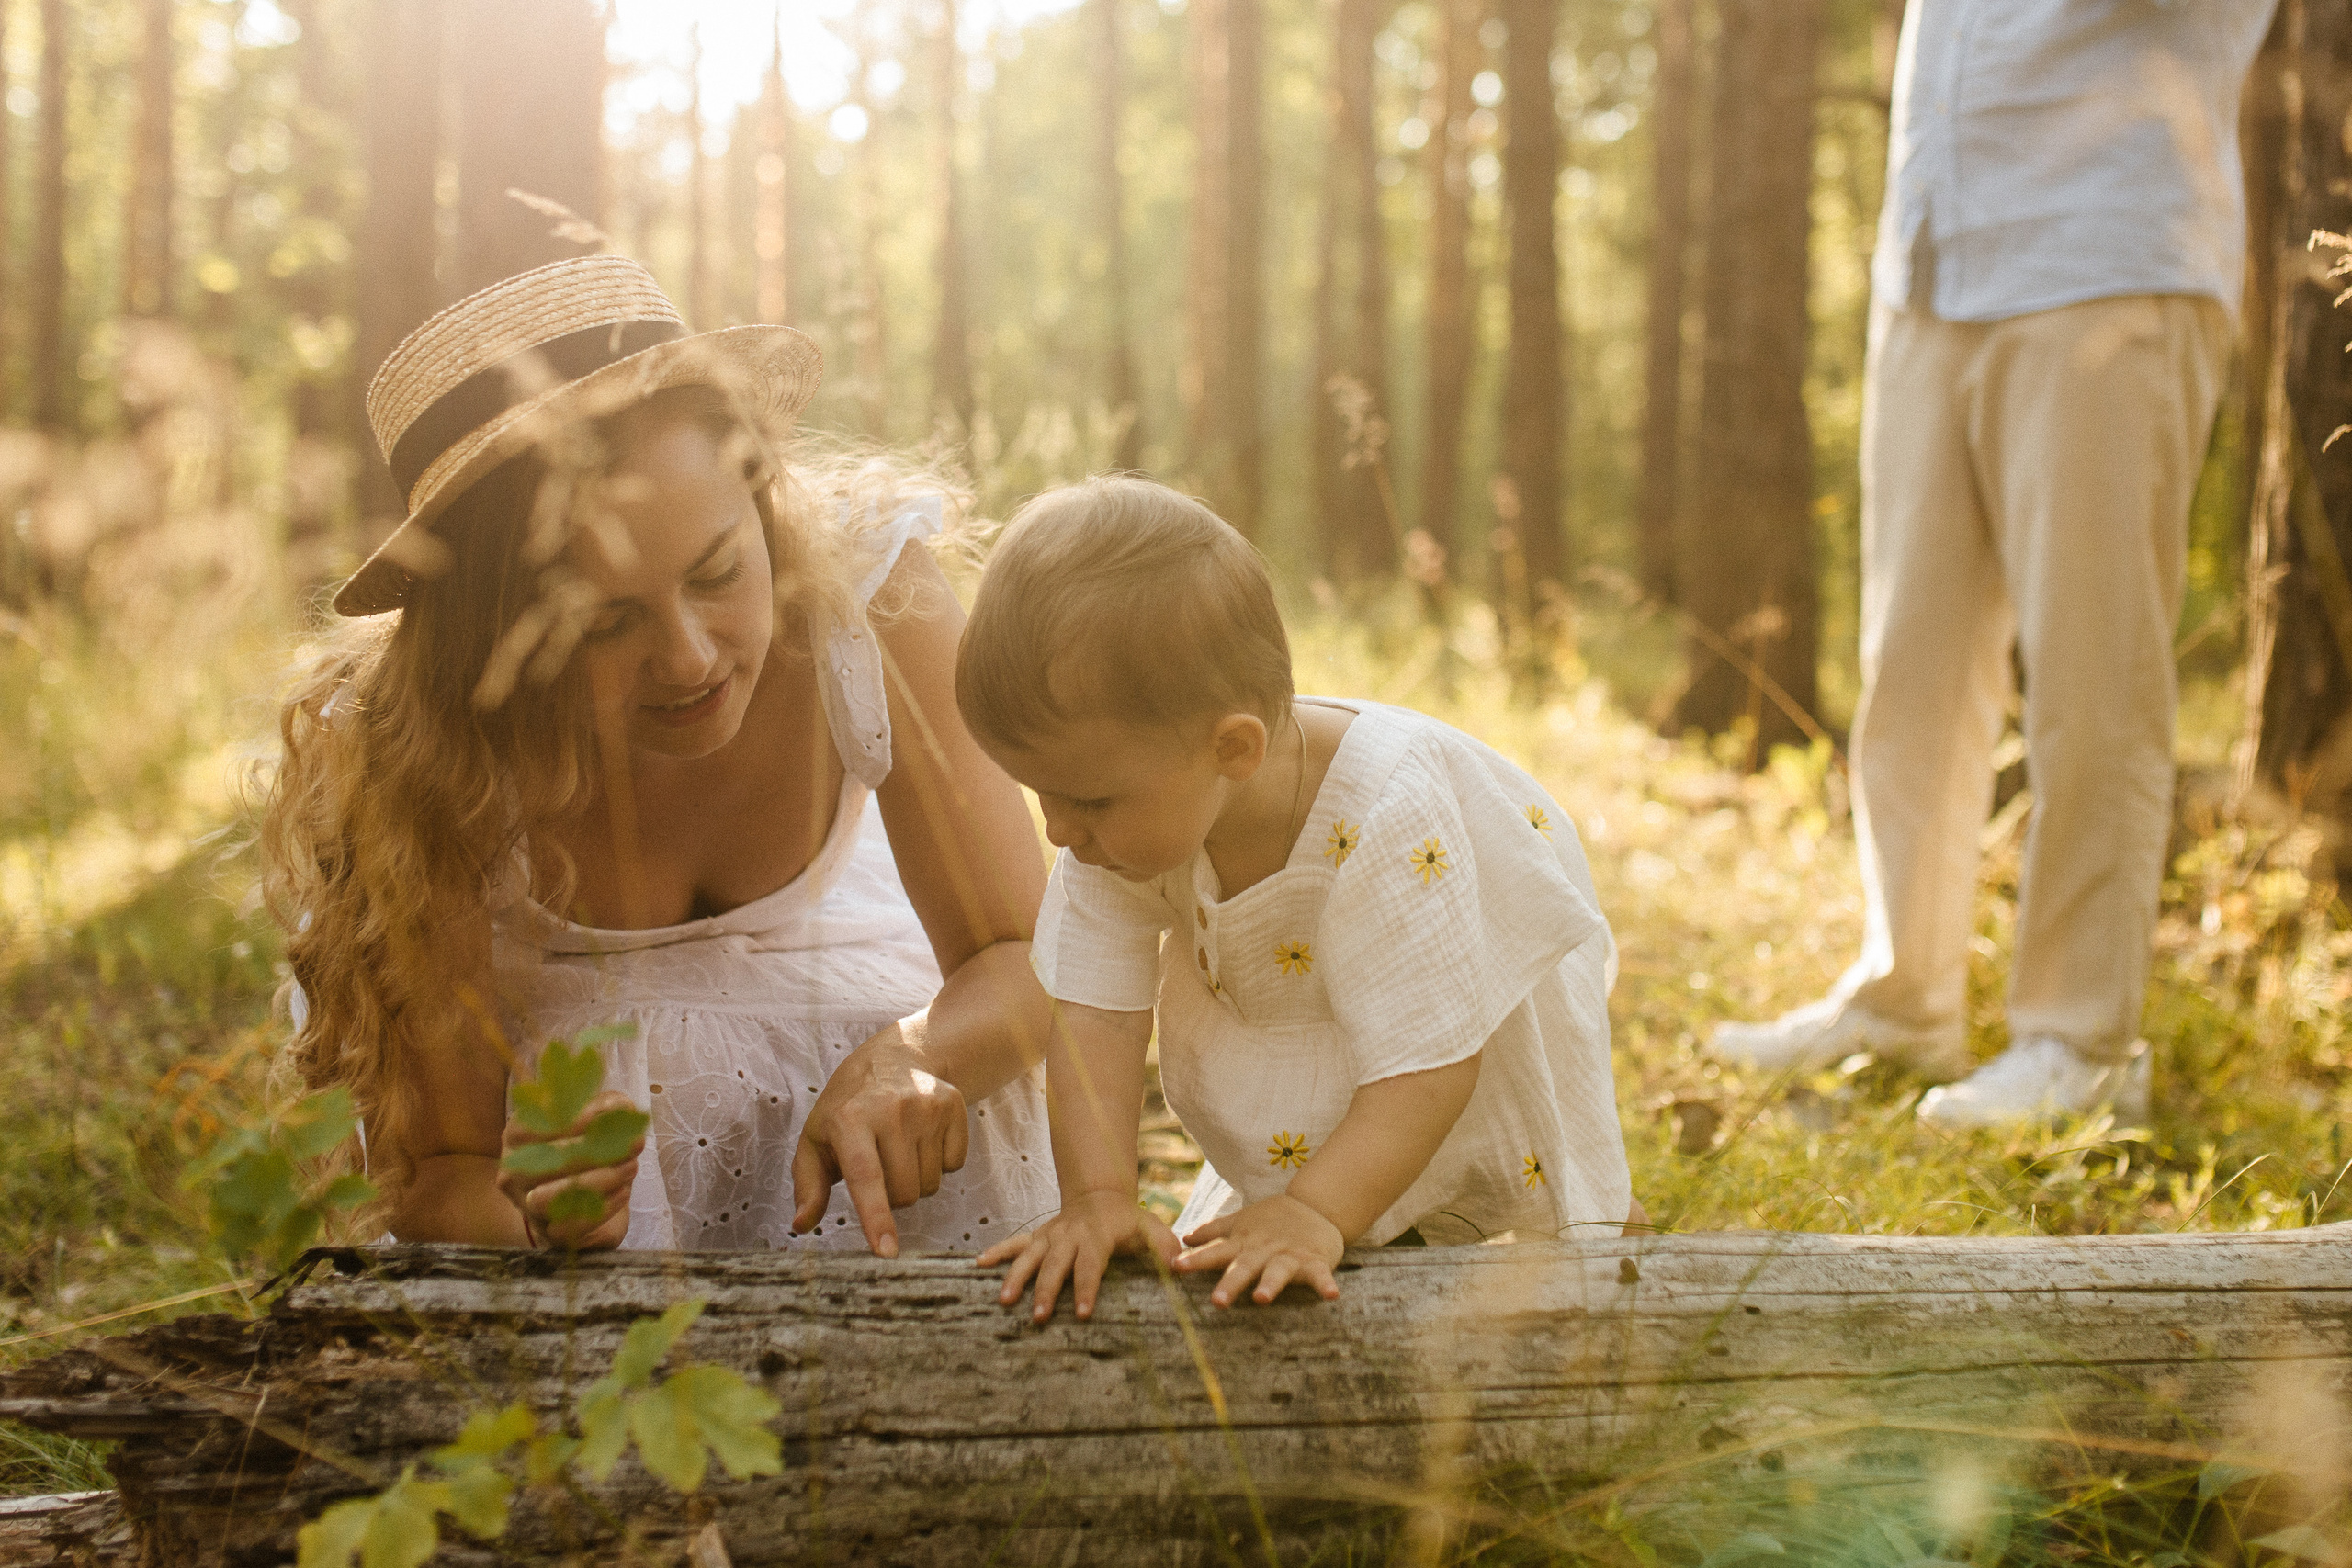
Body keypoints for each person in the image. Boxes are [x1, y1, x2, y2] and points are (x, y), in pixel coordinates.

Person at [259, 255, 1058, 1253]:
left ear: (761, 495)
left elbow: (1026, 959)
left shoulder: (872, 594)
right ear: (490, 629)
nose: (688, 658)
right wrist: (537, 1225)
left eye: (717, 572)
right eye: (605, 623)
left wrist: (912, 1056)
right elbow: (433, 1178)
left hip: (852, 1036)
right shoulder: (423, 750)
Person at [1710, 0, 2277, 1128]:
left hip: (2103, 250)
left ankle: (2080, 1041)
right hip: (1932, 260)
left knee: (2093, 680)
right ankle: (1902, 997)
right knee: (1910, 667)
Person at [956, 479, 1635, 1322]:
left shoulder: (1388, 814)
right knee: (1325, 1118)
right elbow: (1096, 1014)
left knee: (1492, 1172)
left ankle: (1603, 1237)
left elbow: (1430, 1064)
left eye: (1085, 801)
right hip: (1307, 984)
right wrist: (1098, 1194)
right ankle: (1340, 1197)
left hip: (1451, 992)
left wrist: (1316, 1212)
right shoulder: (1128, 811)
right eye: (1040, 794)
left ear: (1232, 749)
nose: (1058, 831)